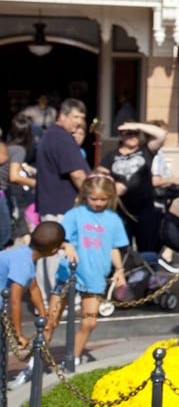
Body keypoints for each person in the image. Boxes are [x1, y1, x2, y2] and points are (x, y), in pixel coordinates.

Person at [44, 174, 128, 365]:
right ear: (85, 196)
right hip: (69, 274)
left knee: (89, 321)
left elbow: (114, 247)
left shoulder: (112, 219)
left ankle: (72, 358)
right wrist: (68, 245)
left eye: (103, 199)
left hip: (95, 275)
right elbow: (60, 237)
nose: (98, 203)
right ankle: (36, 361)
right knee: (51, 321)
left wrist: (119, 269)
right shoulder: (75, 214)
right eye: (94, 199)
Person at [35, 98, 89, 296]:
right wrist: (93, 197)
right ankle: (58, 299)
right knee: (58, 253)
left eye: (81, 119)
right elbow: (77, 174)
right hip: (61, 208)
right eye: (75, 117)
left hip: (52, 205)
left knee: (49, 252)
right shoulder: (61, 137)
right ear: (63, 115)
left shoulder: (51, 135)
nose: (78, 123)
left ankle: (47, 299)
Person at [5, 221, 65, 388]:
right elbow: (15, 300)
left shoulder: (25, 255)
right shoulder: (24, 263)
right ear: (54, 251)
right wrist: (19, 334)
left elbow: (34, 288)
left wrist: (43, 312)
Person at [99, 120, 168, 256]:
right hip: (121, 210)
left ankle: (148, 276)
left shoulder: (146, 151)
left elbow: (161, 134)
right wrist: (112, 186)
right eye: (128, 134)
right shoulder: (111, 156)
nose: (133, 136)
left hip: (145, 209)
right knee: (123, 249)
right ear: (120, 136)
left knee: (148, 250)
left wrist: (136, 125)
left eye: (136, 134)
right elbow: (99, 177)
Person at [5, 114, 38, 243]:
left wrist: (24, 166)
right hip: (12, 193)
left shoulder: (8, 147)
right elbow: (14, 176)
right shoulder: (19, 149)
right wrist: (36, 183)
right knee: (23, 227)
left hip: (7, 193)